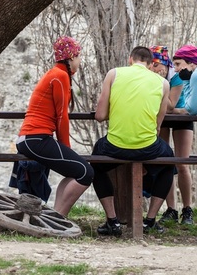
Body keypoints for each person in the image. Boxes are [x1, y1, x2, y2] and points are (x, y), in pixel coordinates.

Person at [92, 46, 174, 236]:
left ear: (130, 60)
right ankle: (151, 220)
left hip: (115, 145)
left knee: (95, 163)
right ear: (151, 64)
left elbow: (100, 115)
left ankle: (112, 221)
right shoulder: (163, 83)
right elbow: (157, 126)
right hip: (147, 147)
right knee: (169, 162)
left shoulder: (113, 74)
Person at [16, 36, 94, 217]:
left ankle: (56, 216)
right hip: (36, 138)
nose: (80, 60)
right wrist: (66, 147)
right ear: (70, 57)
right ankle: (60, 219)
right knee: (86, 172)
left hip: (31, 138)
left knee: (75, 172)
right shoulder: (60, 75)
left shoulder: (57, 73)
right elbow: (62, 117)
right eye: (78, 56)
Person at [149, 46, 194, 225]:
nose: (156, 69)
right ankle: (171, 209)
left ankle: (187, 209)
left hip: (181, 118)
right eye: (152, 65)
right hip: (162, 119)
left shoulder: (176, 77)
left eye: (159, 65)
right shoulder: (151, 77)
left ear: (166, 65)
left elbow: (170, 104)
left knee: (182, 163)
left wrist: (159, 83)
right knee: (165, 162)